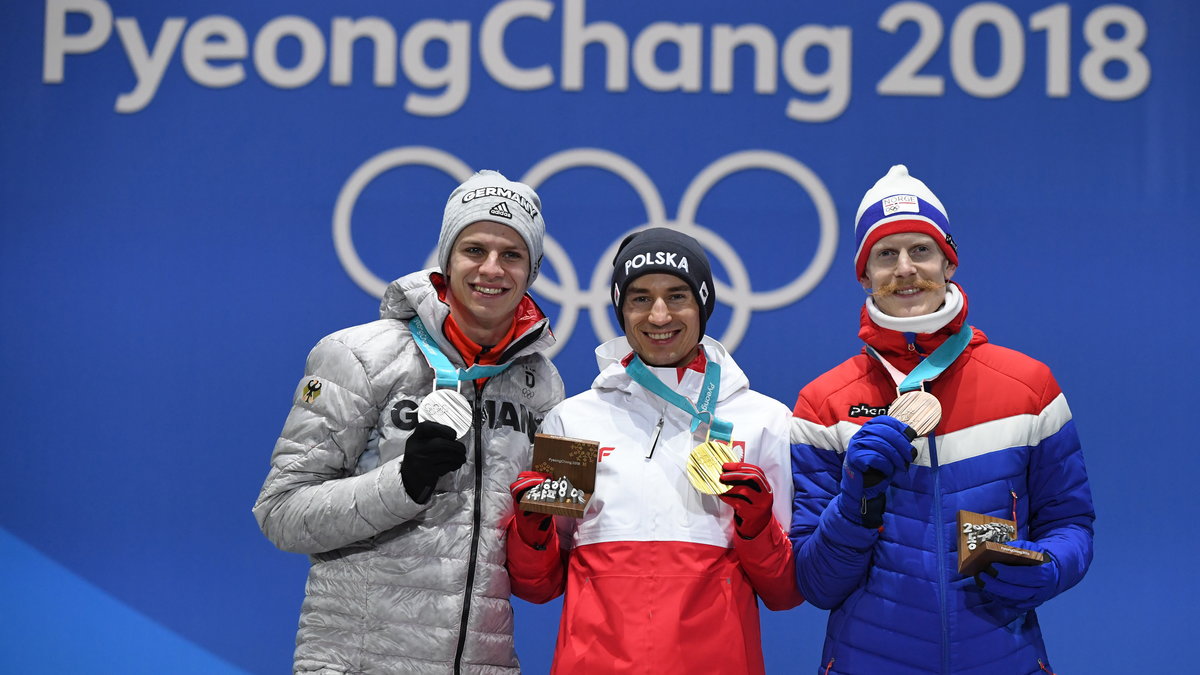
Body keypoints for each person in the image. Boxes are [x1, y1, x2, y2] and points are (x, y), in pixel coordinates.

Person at [253, 169, 564, 674]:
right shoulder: (358, 355)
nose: (492, 269)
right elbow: (281, 514)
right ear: (445, 259)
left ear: (532, 270)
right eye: (474, 250)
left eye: (512, 255)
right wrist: (402, 483)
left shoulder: (542, 384)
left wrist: (537, 530)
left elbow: (537, 578)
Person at [789, 165, 1095, 674]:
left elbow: (1071, 524)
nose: (905, 268)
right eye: (886, 254)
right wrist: (856, 499)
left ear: (949, 262)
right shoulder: (823, 404)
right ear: (864, 274)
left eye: (921, 250)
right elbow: (817, 582)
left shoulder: (1030, 386)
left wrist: (1051, 566)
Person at [506, 227, 803, 674]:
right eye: (640, 298)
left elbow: (784, 593)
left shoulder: (763, 420)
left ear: (703, 305)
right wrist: (530, 531)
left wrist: (757, 526)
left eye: (677, 296)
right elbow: (539, 586)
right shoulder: (574, 422)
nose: (659, 315)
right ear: (621, 311)